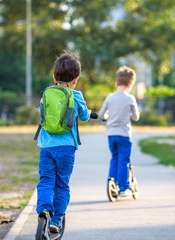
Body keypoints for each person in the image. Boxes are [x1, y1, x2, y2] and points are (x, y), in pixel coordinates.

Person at [36, 51, 90, 233]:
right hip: (66, 148)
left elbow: (43, 116)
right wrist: (89, 113)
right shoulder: (76, 95)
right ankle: (57, 220)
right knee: (61, 184)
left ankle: (43, 209)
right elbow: (84, 116)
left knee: (46, 180)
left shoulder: (47, 93)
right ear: (76, 78)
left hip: (46, 147)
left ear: (54, 76)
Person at [98, 66, 140, 197]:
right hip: (124, 134)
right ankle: (123, 187)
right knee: (124, 160)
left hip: (111, 134)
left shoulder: (110, 97)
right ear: (130, 84)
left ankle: (112, 181)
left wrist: (106, 117)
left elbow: (101, 114)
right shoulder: (130, 98)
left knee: (114, 158)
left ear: (116, 83)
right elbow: (136, 117)